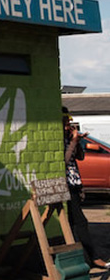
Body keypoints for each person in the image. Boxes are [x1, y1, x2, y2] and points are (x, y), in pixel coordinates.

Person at [62, 107, 107, 269]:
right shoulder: (57, 140)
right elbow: (64, 162)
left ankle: (85, 257)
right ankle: (93, 257)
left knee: (76, 222)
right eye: (66, 122)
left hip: (74, 183)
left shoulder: (68, 137)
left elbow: (79, 157)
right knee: (80, 221)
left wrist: (78, 142)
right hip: (64, 185)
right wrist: (73, 142)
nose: (68, 125)